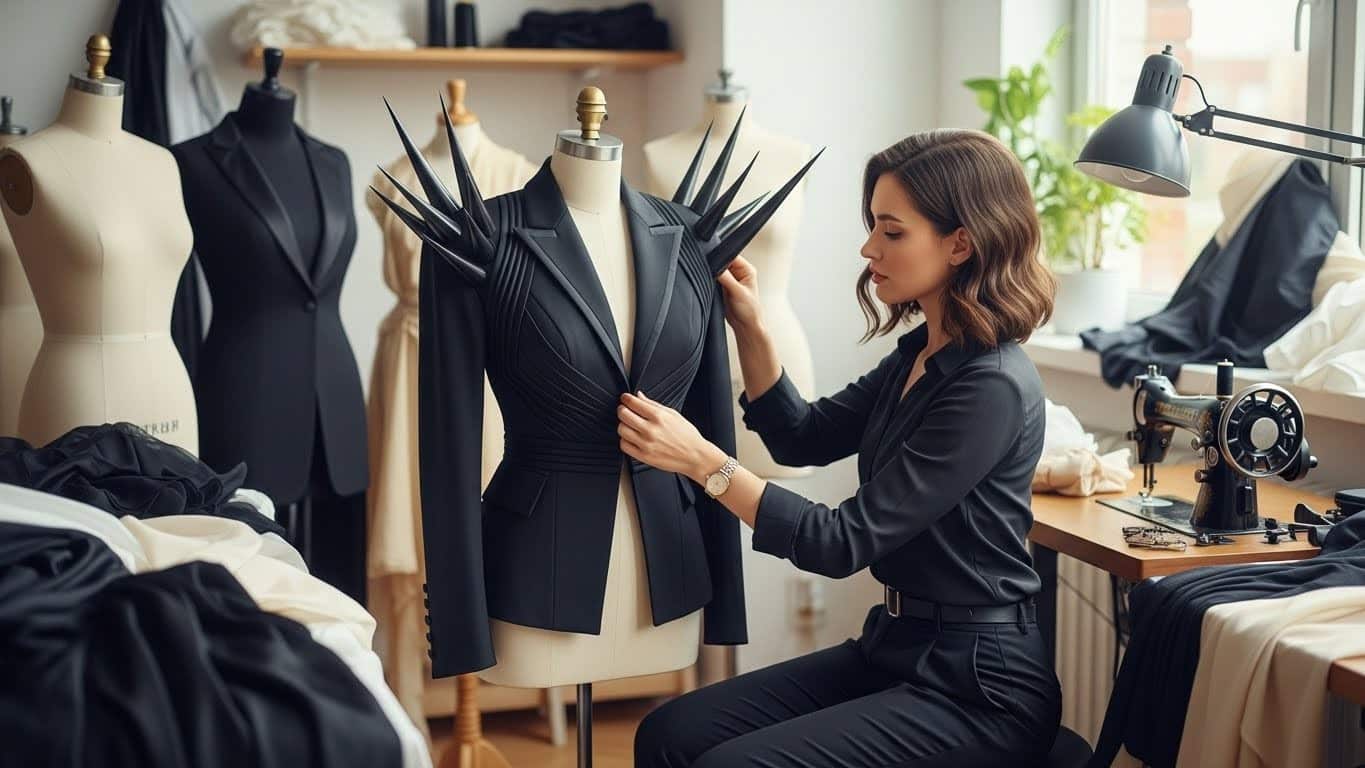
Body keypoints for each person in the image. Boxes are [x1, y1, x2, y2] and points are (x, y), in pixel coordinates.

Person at [620, 129, 1061, 767]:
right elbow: (803, 436)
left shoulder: (988, 386)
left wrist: (702, 461)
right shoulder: (923, 353)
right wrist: (750, 324)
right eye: (873, 228)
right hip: (896, 645)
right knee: (665, 735)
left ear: (960, 243)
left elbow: (838, 542)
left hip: (978, 687)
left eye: (892, 231)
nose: (869, 248)